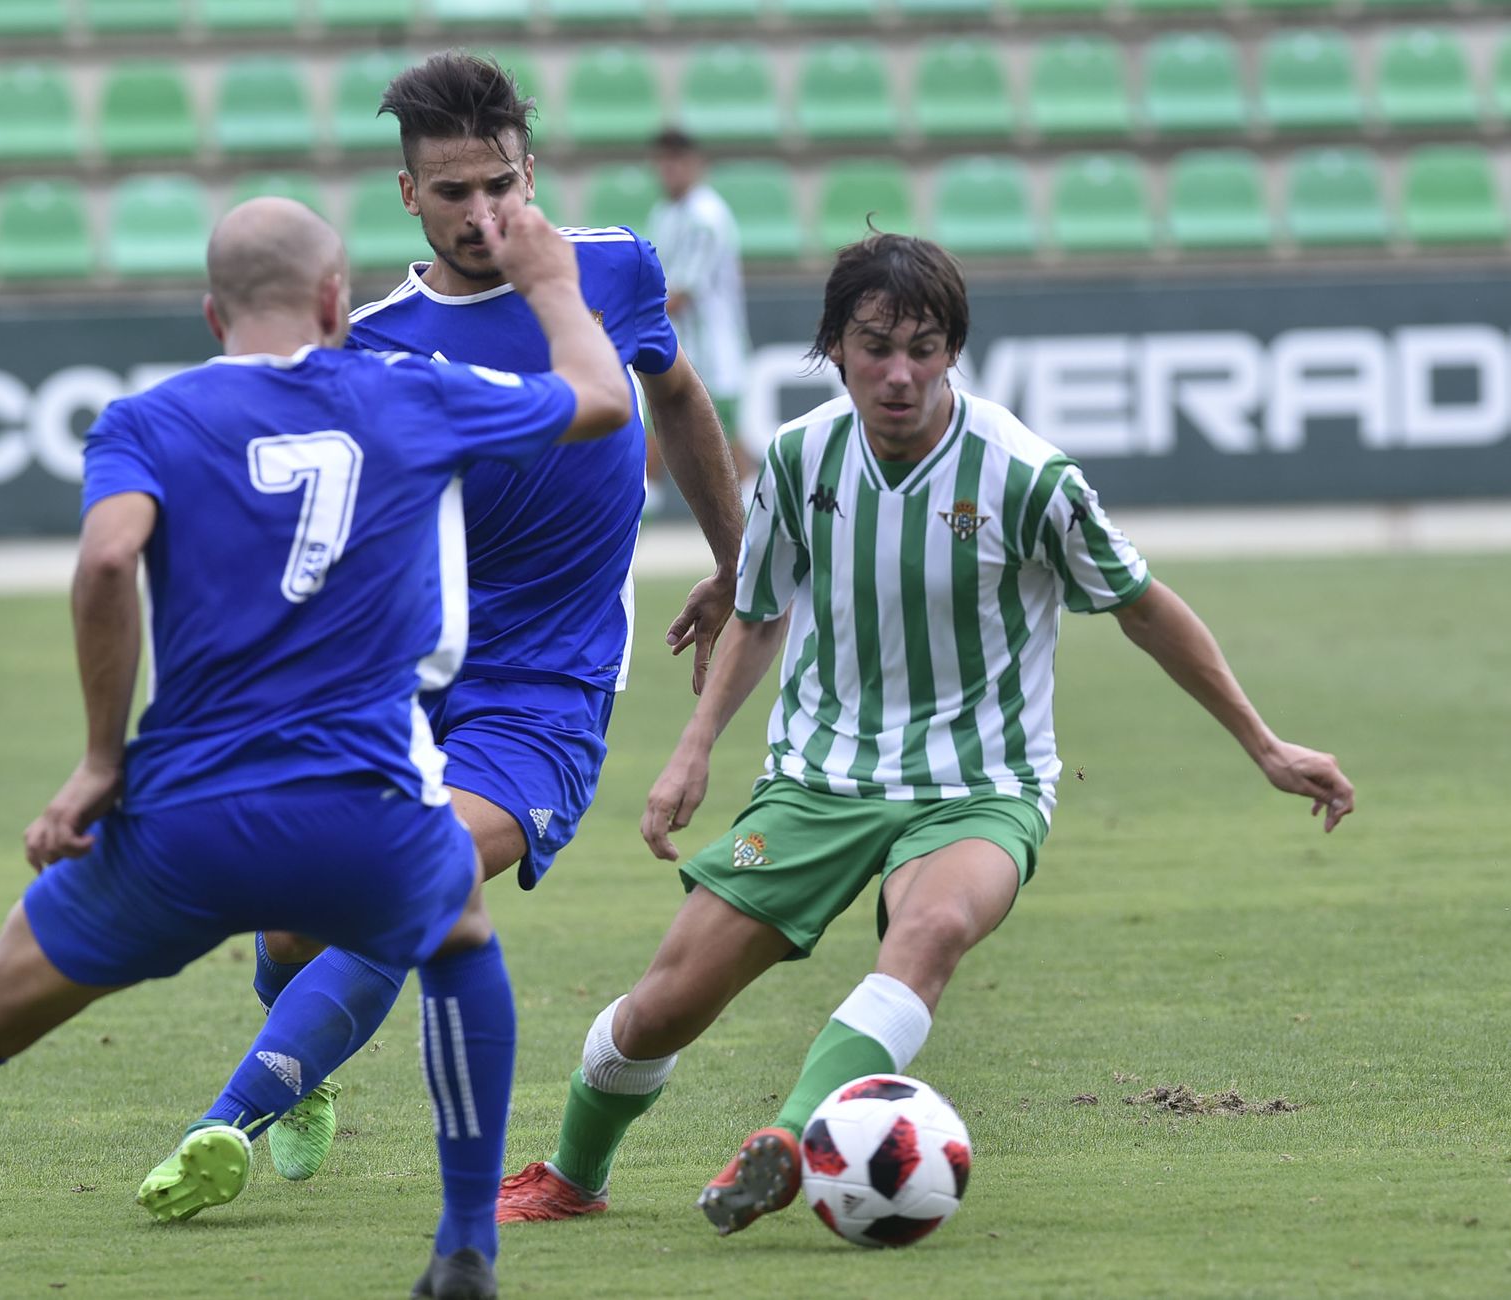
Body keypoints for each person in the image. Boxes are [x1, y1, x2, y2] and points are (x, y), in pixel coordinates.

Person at [497, 232, 1357, 1234]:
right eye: (874, 346)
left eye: (924, 346)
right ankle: (574, 1171)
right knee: (661, 1008)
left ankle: (791, 1138)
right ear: (833, 346)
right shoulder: (795, 458)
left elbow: (1141, 604)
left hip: (980, 783)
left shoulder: (1026, 476)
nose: (899, 373)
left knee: (934, 927)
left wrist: (1262, 743)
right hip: (819, 776)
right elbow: (761, 609)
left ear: (953, 350)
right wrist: (693, 746)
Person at [0, 195, 630, 1299]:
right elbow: (603, 399)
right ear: (338, 303)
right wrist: (554, 285)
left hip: (182, 822)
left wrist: (100, 760)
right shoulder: (408, 393)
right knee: (461, 936)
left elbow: (103, 565)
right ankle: (466, 1242)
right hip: (365, 815)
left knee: (1, 997)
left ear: (209, 312)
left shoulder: (148, 419)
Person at [178, 52, 745, 1196]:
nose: (483, 214)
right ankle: (309, 1054)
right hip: (397, 679)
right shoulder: (373, 345)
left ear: (530, 174)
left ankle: (224, 1124)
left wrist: (736, 560)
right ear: (409, 198)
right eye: (452, 192)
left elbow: (678, 396)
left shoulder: (616, 273)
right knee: (294, 922)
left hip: (545, 692)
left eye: (501, 185)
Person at [645, 127, 754, 508]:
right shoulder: (665, 212)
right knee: (655, 424)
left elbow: (680, 295)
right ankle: (643, 504)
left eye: (677, 160)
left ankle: (758, 506)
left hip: (714, 350)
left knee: (725, 437)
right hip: (681, 345)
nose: (669, 169)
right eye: (663, 160)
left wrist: (622, 317)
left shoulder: (706, 217)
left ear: (695, 165)